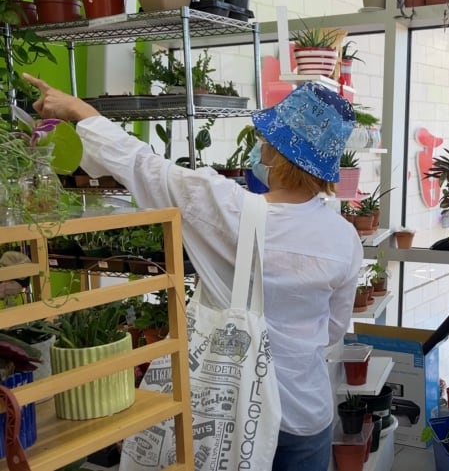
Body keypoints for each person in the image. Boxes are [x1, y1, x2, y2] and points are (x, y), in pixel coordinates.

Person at [24, 74, 364, 471]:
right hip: (307, 411)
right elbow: (334, 329)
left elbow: (141, 164)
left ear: (275, 150)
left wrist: (80, 112)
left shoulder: (227, 208)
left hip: (232, 411)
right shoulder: (345, 238)